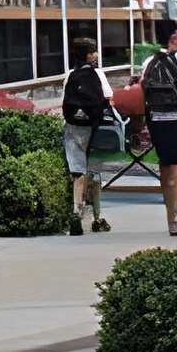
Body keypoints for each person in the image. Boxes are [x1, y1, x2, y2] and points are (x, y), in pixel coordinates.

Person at [140, 14, 177, 237]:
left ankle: (169, 215)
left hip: (156, 119)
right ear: (174, 37)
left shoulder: (148, 62)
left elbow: (143, 93)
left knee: (165, 164)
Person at [59, 38, 116, 235]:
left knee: (77, 171)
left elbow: (64, 102)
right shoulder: (97, 73)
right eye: (94, 51)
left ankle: (76, 212)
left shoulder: (71, 75)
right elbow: (108, 98)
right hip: (94, 127)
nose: (97, 55)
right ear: (88, 55)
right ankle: (97, 218)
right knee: (94, 173)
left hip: (74, 127)